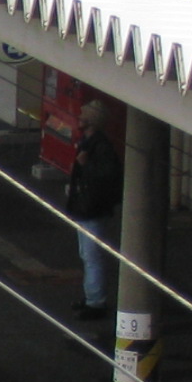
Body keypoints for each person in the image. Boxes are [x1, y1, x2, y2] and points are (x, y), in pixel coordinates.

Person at [68, 99, 123, 319]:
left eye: (83, 115)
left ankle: (96, 302)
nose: (79, 118)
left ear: (91, 120)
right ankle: (92, 296)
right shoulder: (89, 142)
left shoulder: (100, 147)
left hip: (92, 209)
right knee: (87, 254)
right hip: (86, 208)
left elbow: (106, 177)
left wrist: (84, 165)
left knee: (92, 256)